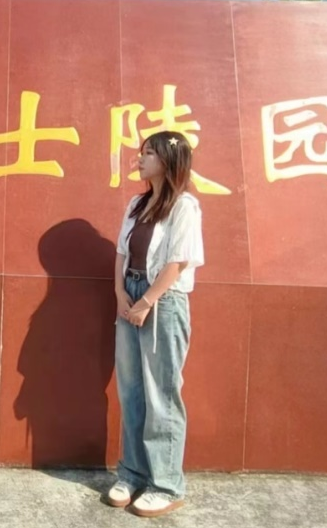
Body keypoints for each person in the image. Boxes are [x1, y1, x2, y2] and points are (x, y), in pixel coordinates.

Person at [103, 130, 204, 518]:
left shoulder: (184, 207)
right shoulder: (137, 203)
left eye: (148, 153)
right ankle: (132, 473)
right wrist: (120, 294)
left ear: (167, 160)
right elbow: (121, 252)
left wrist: (146, 301)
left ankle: (166, 484)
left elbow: (178, 261)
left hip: (163, 301)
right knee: (131, 390)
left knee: (162, 392)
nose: (140, 159)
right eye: (141, 152)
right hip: (130, 295)